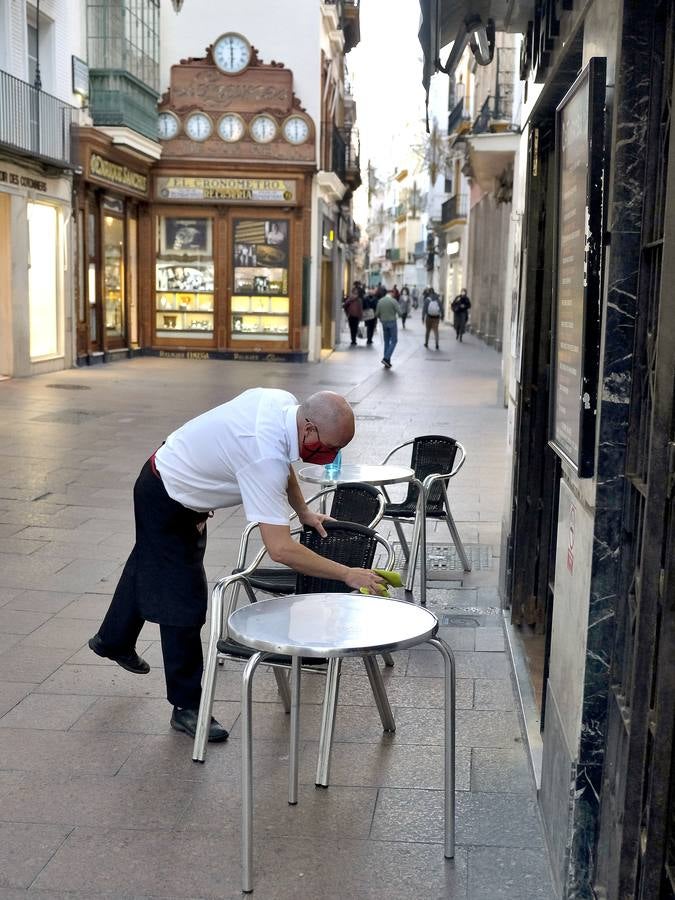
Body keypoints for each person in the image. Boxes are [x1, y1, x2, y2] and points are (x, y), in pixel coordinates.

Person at [88, 390, 385, 743]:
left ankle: (112, 639)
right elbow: (280, 549)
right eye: (330, 447)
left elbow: (283, 463)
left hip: (174, 481)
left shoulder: (280, 404)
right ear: (308, 428)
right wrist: (346, 573)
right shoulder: (263, 456)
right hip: (167, 494)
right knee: (183, 603)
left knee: (152, 560)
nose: (330, 456)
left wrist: (303, 511)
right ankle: (187, 707)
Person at [376, 287, 401, 368]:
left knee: (386, 341)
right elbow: (400, 312)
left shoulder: (380, 301)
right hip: (392, 322)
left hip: (384, 323)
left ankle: (387, 362)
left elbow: (377, 314)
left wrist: (381, 318)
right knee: (394, 341)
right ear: (391, 294)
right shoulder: (393, 301)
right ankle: (386, 358)